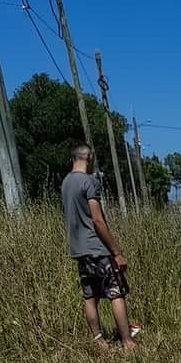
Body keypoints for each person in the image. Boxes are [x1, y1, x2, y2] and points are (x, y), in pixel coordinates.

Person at [61, 144, 134, 349]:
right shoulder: (89, 181)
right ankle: (127, 341)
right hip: (97, 248)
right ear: (89, 158)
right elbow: (98, 220)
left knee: (90, 296)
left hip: (79, 250)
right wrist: (117, 252)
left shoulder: (66, 183)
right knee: (116, 292)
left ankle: (99, 342)